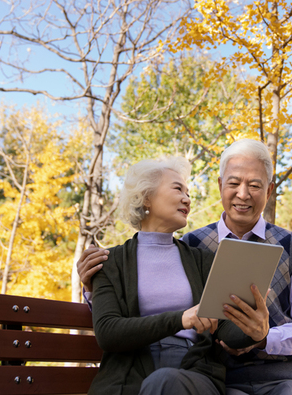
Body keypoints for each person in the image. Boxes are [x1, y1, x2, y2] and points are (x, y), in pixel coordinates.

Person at [80, 140, 292, 395]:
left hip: (274, 374)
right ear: (220, 185)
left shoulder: (289, 246)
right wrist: (92, 289)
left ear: (269, 190)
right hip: (223, 377)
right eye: (234, 183)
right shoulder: (195, 244)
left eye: (254, 185)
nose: (243, 194)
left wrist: (262, 335)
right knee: (165, 382)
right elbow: (114, 322)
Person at [87, 156, 263, 395]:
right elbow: (108, 333)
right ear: (146, 196)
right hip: (128, 374)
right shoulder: (110, 262)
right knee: (163, 382)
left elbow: (223, 329)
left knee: (166, 382)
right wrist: (181, 319)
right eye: (178, 188)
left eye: (188, 193)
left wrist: (255, 330)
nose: (187, 199)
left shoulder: (202, 260)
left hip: (194, 374)